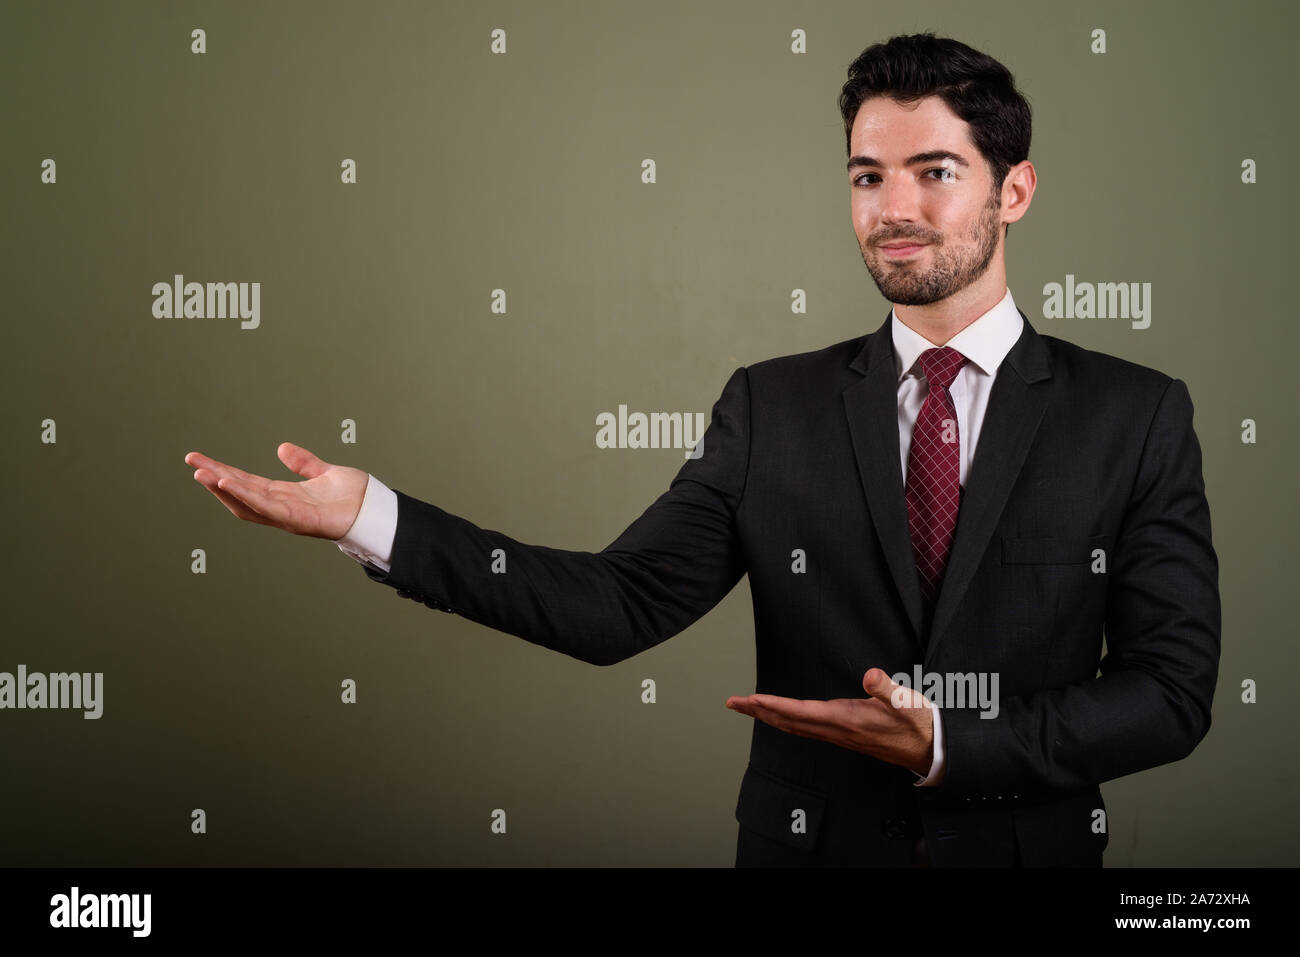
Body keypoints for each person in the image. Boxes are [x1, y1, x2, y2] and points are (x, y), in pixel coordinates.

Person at [185, 33, 1220, 867]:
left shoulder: (1133, 416)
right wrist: (374, 517)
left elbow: (1168, 693)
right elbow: (615, 606)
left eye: (932, 172)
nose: (892, 210)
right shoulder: (772, 405)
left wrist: (953, 744)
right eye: (866, 176)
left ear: (1015, 190)